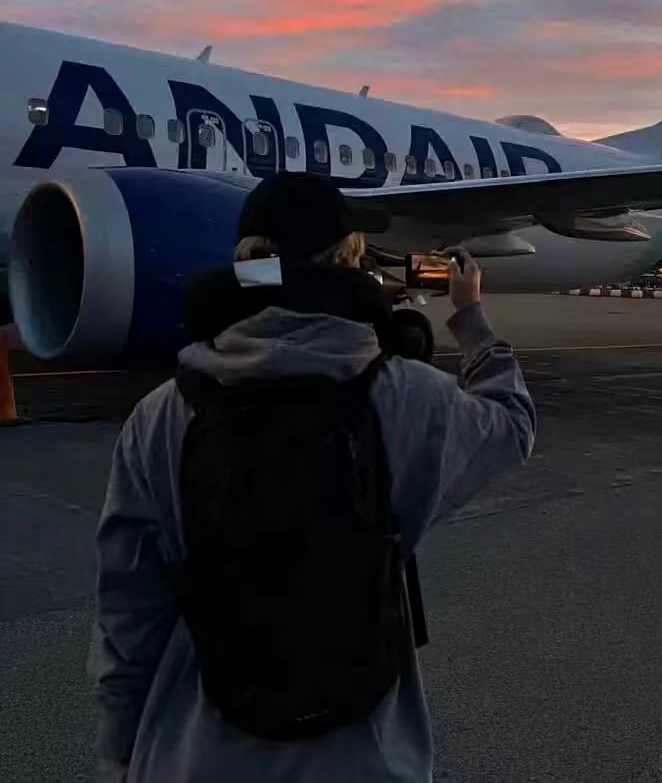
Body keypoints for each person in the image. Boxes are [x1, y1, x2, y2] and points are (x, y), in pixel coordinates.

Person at [89, 172, 536, 782]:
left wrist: (119, 751)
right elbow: (513, 423)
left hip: (198, 758)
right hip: (364, 759)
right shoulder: (407, 397)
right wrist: (470, 317)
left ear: (244, 263)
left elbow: (129, 616)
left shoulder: (162, 415)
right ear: (353, 260)